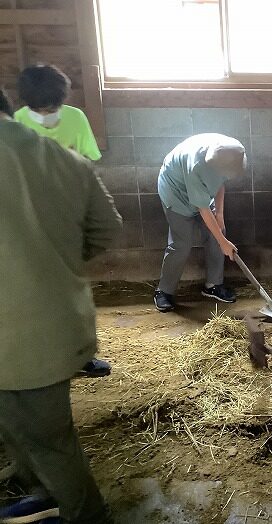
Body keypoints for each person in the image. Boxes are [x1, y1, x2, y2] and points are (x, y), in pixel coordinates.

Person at [0, 87, 120, 524]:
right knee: (26, 427)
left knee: (46, 436)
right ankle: (36, 489)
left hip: (17, 338)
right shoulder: (61, 158)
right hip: (57, 324)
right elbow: (106, 228)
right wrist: (55, 266)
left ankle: (82, 513)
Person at [154, 133, 246, 312]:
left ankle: (213, 285)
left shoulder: (231, 151)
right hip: (176, 193)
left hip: (200, 193)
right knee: (182, 243)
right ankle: (163, 291)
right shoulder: (196, 165)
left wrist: (219, 214)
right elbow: (202, 208)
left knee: (218, 232)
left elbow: (220, 182)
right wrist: (223, 243)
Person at [14, 64, 101, 161]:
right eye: (37, 111)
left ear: (60, 103)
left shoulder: (76, 117)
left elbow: (90, 158)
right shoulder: (17, 121)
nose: (44, 115)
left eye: (51, 110)